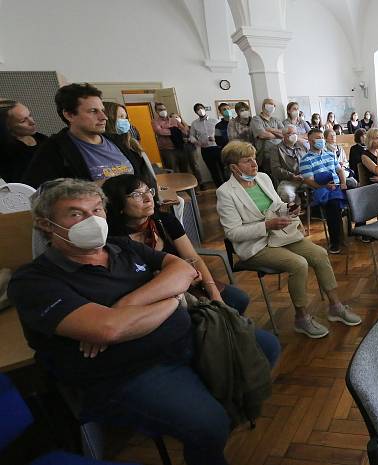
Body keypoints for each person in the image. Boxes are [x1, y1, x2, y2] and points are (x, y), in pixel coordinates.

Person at [8, 178, 280, 465]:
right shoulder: (34, 280)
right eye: (76, 214)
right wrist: (171, 298)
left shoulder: (120, 246)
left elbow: (183, 269)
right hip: (128, 371)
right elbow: (109, 329)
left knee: (266, 347)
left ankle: (215, 407)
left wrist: (125, 306)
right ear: (46, 225)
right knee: (208, 424)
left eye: (97, 210)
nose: (93, 220)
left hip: (187, 337)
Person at [216, 141, 362, 338]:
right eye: (247, 160)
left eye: (254, 158)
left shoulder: (263, 178)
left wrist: (288, 209)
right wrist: (266, 226)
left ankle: (335, 306)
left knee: (319, 254)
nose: (254, 163)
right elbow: (232, 233)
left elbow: (277, 205)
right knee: (299, 264)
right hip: (256, 245)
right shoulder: (225, 192)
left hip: (280, 235)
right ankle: (301, 318)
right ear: (233, 167)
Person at [102, 174, 250, 313]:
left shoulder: (164, 221)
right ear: (118, 205)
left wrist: (215, 295)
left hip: (189, 284)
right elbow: (135, 285)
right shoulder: (113, 241)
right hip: (155, 300)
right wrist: (181, 281)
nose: (148, 198)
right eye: (136, 195)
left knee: (239, 299)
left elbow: (193, 258)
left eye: (148, 191)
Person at [22, 83, 155, 189]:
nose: (104, 117)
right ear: (69, 115)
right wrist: (94, 187)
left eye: (102, 110)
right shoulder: (54, 150)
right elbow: (41, 192)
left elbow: (143, 178)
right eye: (93, 111)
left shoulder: (117, 141)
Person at [300, 129, 347, 254]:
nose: (321, 140)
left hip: (337, 186)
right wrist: (324, 186)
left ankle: (357, 231)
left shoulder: (330, 154)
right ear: (310, 141)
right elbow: (309, 181)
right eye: (317, 138)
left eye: (322, 137)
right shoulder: (306, 160)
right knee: (334, 205)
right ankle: (335, 241)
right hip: (321, 190)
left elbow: (340, 171)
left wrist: (343, 184)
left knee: (357, 195)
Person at [0, 100, 48, 182]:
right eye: (23, 121)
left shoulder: (42, 139)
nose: (32, 122)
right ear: (8, 127)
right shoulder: (9, 153)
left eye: (30, 115)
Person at [189, 103, 225, 187]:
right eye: (198, 109)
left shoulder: (215, 120)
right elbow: (191, 135)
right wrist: (196, 142)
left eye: (201, 108)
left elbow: (220, 133)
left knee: (223, 168)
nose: (200, 110)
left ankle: (229, 187)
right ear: (195, 112)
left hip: (217, 147)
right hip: (205, 149)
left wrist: (215, 138)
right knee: (213, 170)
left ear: (204, 109)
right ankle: (219, 188)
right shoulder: (194, 123)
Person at [151, 102, 189, 172]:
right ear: (156, 111)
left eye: (164, 109)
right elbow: (160, 132)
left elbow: (183, 130)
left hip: (179, 147)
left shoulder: (173, 120)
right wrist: (175, 130)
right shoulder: (155, 122)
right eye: (160, 109)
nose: (163, 110)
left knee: (184, 168)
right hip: (167, 150)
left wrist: (174, 130)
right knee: (172, 170)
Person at [269, 125, 306, 190]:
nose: (293, 135)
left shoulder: (302, 146)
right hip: (288, 180)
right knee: (287, 194)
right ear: (283, 135)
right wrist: (292, 176)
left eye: (295, 133)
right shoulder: (276, 149)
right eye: (290, 133)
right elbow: (275, 169)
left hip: (305, 177)